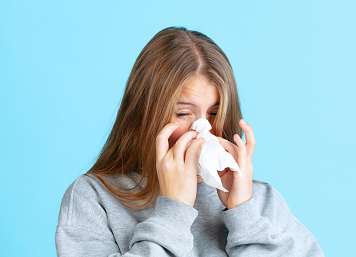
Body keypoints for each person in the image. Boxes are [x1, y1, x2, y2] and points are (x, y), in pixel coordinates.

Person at [55, 26, 324, 256]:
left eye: (215, 113)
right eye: (183, 113)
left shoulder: (263, 202)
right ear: (145, 114)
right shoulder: (95, 198)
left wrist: (244, 214)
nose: (203, 128)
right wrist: (175, 210)